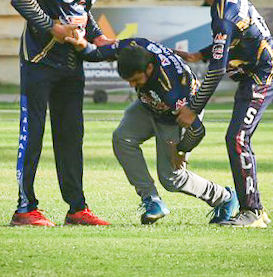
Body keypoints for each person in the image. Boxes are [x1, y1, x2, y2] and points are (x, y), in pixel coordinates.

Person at [64, 35, 239, 225]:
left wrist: (181, 150)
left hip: (176, 118)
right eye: (128, 81)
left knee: (172, 179)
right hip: (150, 105)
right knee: (122, 138)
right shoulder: (135, 47)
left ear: (149, 68)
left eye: (135, 79)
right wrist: (83, 45)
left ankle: (224, 197)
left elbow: (197, 129)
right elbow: (98, 53)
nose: (132, 85)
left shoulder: (172, 90)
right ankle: (152, 200)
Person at [9, 0, 113, 227]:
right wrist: (52, 27)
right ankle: (24, 209)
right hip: (39, 60)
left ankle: (77, 209)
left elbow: (82, 10)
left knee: (71, 136)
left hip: (71, 63)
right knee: (34, 135)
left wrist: (99, 36)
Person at [174, 0, 273, 228]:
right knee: (237, 137)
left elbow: (217, 71)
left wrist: (193, 109)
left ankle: (252, 212)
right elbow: (233, 40)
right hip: (251, 75)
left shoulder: (224, 13)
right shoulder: (224, 1)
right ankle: (254, 209)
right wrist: (199, 54)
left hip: (262, 75)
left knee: (237, 138)